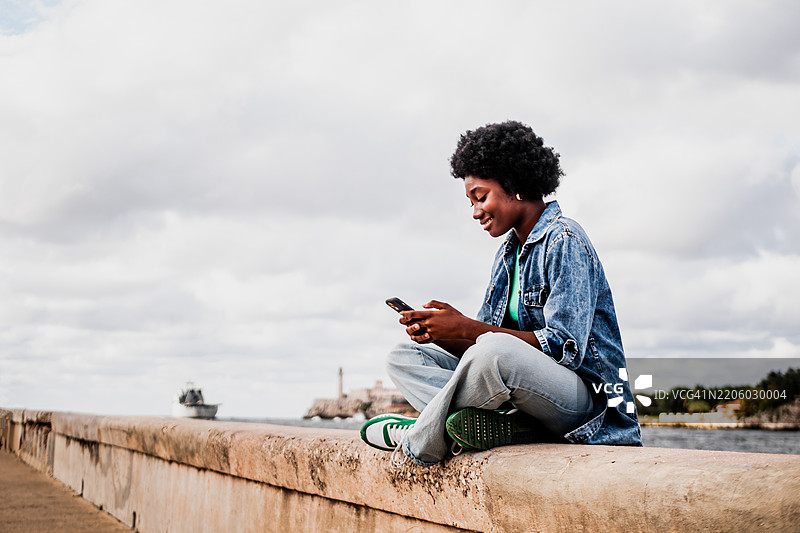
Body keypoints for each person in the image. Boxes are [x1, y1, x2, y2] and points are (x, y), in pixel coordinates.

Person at [360, 121, 642, 467]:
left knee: (495, 349)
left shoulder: (564, 240)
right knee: (403, 356)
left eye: (480, 197)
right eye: (471, 202)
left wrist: (466, 328)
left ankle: (420, 438)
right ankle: (511, 427)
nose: (476, 211)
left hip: (587, 404)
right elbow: (482, 355)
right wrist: (443, 335)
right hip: (525, 396)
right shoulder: (508, 252)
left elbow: (563, 350)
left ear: (515, 184)